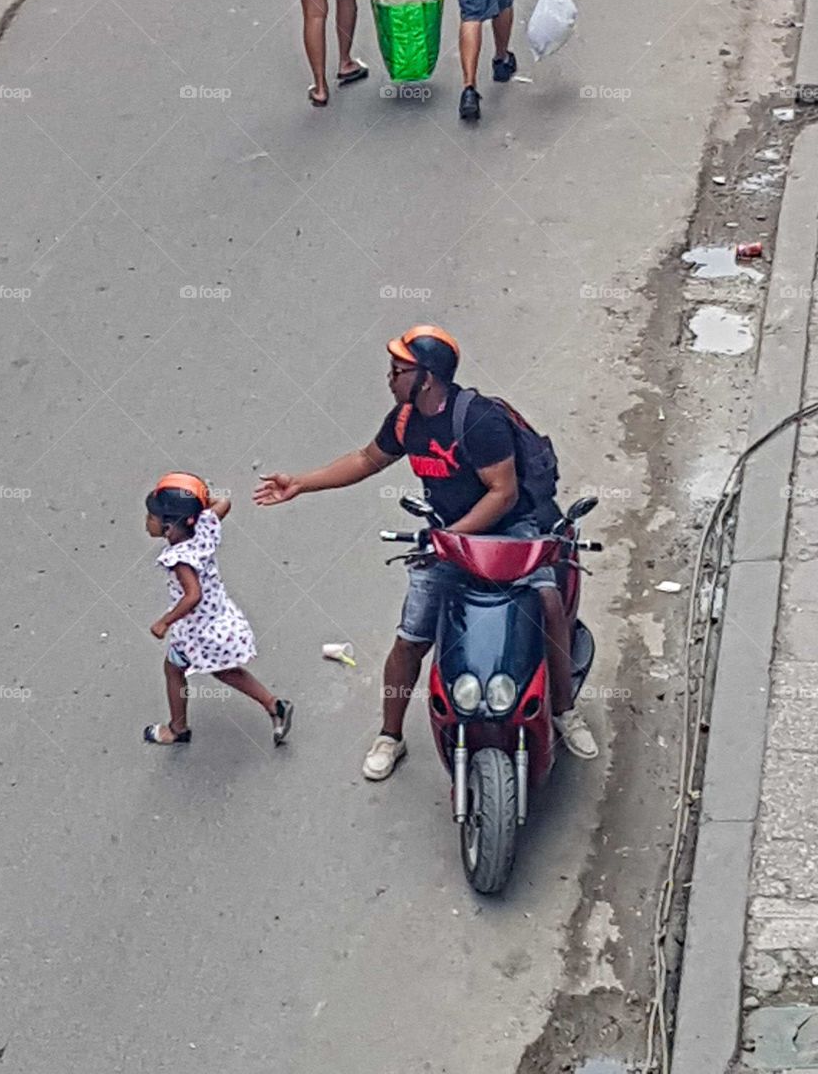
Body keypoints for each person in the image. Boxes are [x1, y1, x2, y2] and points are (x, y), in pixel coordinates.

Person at [253, 328, 597, 780]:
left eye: (398, 371)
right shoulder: (405, 420)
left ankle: (564, 712)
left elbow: (503, 494)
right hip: (450, 539)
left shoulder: (478, 420)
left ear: (428, 377)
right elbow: (366, 460)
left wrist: (447, 537)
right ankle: (390, 737)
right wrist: (301, 483)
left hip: (511, 531)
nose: (389, 379)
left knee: (548, 604)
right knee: (411, 638)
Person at [143, 473, 294, 746]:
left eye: (152, 517)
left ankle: (178, 729)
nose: (147, 521)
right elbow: (223, 502)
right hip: (220, 618)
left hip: (199, 630)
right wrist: (198, 500)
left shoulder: (180, 558)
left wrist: (165, 621)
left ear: (170, 528)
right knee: (224, 670)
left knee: (176, 669)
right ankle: (275, 706)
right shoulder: (204, 529)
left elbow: (193, 596)